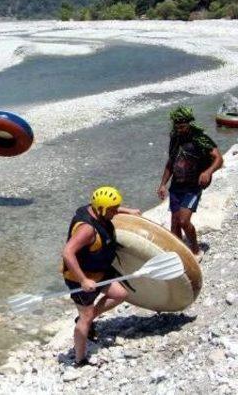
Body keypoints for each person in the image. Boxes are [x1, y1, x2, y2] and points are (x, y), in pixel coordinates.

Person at [62, 186, 141, 366]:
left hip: (99, 271)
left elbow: (110, 207)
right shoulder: (87, 230)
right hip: (80, 278)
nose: (115, 213)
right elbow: (67, 253)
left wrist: (128, 210)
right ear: (101, 209)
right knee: (86, 317)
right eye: (113, 210)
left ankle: (87, 319)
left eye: (116, 208)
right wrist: (83, 280)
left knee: (120, 294)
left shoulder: (97, 208)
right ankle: (80, 359)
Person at [157, 106, 223, 256]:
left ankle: (195, 251)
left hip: (193, 187)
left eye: (183, 126)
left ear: (189, 123)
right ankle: (180, 254)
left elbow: (219, 158)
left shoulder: (200, 138)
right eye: (177, 127)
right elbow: (170, 163)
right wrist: (163, 185)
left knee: (184, 221)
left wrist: (207, 171)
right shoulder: (174, 138)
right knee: (174, 223)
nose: (180, 129)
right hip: (176, 187)